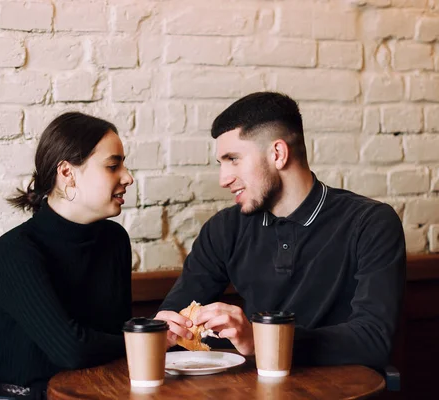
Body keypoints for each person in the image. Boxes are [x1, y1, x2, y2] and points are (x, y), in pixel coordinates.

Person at [155, 92, 406, 369]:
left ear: (278, 154)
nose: (224, 179)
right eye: (221, 163)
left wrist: (261, 340)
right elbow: (172, 319)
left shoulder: (371, 222)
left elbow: (373, 340)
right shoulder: (224, 228)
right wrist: (165, 331)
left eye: (233, 159)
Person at [0, 112, 134, 399]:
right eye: (113, 166)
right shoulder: (15, 251)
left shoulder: (115, 240)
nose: (127, 177)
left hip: (104, 391)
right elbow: (72, 350)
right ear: (67, 173)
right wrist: (150, 337)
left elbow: (116, 337)